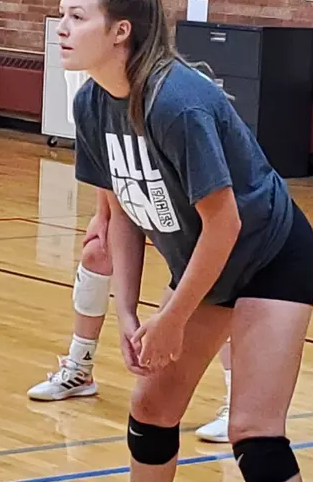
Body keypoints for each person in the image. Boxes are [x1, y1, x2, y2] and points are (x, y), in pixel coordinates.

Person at [56, 0, 313, 482]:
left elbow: (224, 223)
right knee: (151, 405)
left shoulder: (179, 103)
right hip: (210, 264)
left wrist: (173, 315)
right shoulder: (94, 105)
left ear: (120, 30)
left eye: (77, 16)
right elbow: (124, 208)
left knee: (253, 431)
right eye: (63, 15)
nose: (62, 28)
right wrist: (126, 311)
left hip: (271, 257)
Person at [26, 190, 232, 444]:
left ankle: (238, 400)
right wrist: (103, 213)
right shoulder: (105, 149)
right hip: (144, 205)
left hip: (198, 213)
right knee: (96, 253)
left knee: (221, 281)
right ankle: (80, 367)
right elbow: (108, 169)